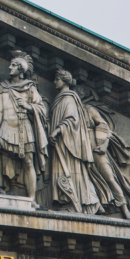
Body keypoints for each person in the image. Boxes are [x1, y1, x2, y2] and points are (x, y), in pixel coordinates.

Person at [42, 69, 100, 212]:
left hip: (68, 145)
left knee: (70, 171)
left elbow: (71, 119)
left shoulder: (68, 98)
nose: (55, 82)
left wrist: (57, 131)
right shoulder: (60, 99)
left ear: (65, 80)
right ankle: (65, 202)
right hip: (59, 143)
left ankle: (77, 203)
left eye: (57, 79)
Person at [0, 55, 50, 197]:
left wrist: (28, 106)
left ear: (20, 69)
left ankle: (31, 198)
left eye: (13, 65)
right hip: (6, 128)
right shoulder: (4, 86)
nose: (9, 67)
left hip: (24, 128)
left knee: (28, 162)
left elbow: (42, 108)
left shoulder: (29, 88)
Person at [78, 86, 130, 218]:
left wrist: (104, 145)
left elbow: (104, 127)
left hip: (95, 147)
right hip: (77, 149)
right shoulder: (69, 111)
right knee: (82, 177)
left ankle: (124, 209)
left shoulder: (88, 109)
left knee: (110, 178)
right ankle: (95, 205)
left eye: (78, 93)